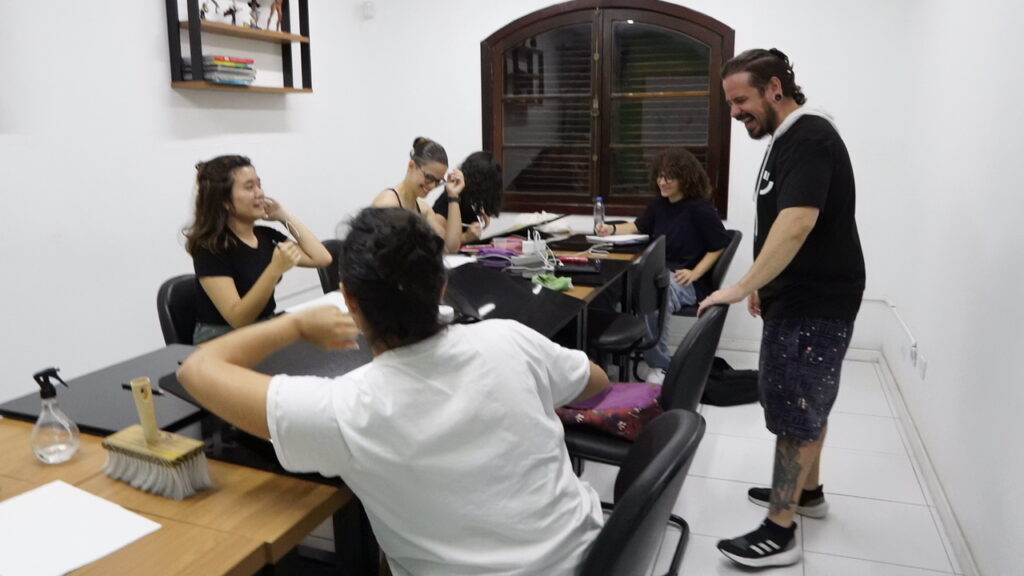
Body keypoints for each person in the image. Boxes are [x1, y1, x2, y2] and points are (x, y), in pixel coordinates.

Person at [178, 207, 610, 576]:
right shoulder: (509, 339)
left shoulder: (347, 409)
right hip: (594, 557)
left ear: (349, 301)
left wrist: (292, 325)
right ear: (441, 285)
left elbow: (197, 369)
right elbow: (596, 383)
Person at [698, 48, 866, 568]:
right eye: (730, 103)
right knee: (805, 400)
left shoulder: (810, 136)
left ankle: (780, 529)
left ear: (775, 87)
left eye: (741, 99)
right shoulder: (787, 140)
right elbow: (777, 225)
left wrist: (737, 284)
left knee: (796, 409)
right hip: (799, 294)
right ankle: (807, 496)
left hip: (816, 300)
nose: (735, 112)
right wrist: (762, 284)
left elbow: (798, 223)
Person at [595, 148, 731, 383]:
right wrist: (611, 229)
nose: (662, 182)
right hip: (657, 271)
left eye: (669, 177)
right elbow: (639, 226)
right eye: (659, 176)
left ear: (685, 178)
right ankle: (604, 355)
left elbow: (719, 245)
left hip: (685, 279)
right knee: (609, 285)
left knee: (656, 293)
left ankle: (660, 365)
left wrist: (695, 272)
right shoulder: (660, 205)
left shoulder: (700, 208)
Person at [184, 155, 332, 344]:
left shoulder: (265, 235)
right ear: (224, 200)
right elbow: (238, 319)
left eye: (259, 185)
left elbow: (321, 258)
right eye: (249, 187)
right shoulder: (210, 248)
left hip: (263, 328)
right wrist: (274, 269)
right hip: (221, 339)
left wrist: (283, 217)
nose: (260, 193)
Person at [372, 136, 466, 253]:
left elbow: (450, 247)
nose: (432, 186)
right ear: (412, 166)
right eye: (428, 178)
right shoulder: (387, 204)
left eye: (438, 181)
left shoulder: (423, 209)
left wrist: (453, 196)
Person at [431, 151, 503, 244]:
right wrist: (465, 237)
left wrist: (480, 227)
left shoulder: (470, 201)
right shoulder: (450, 198)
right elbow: (437, 240)